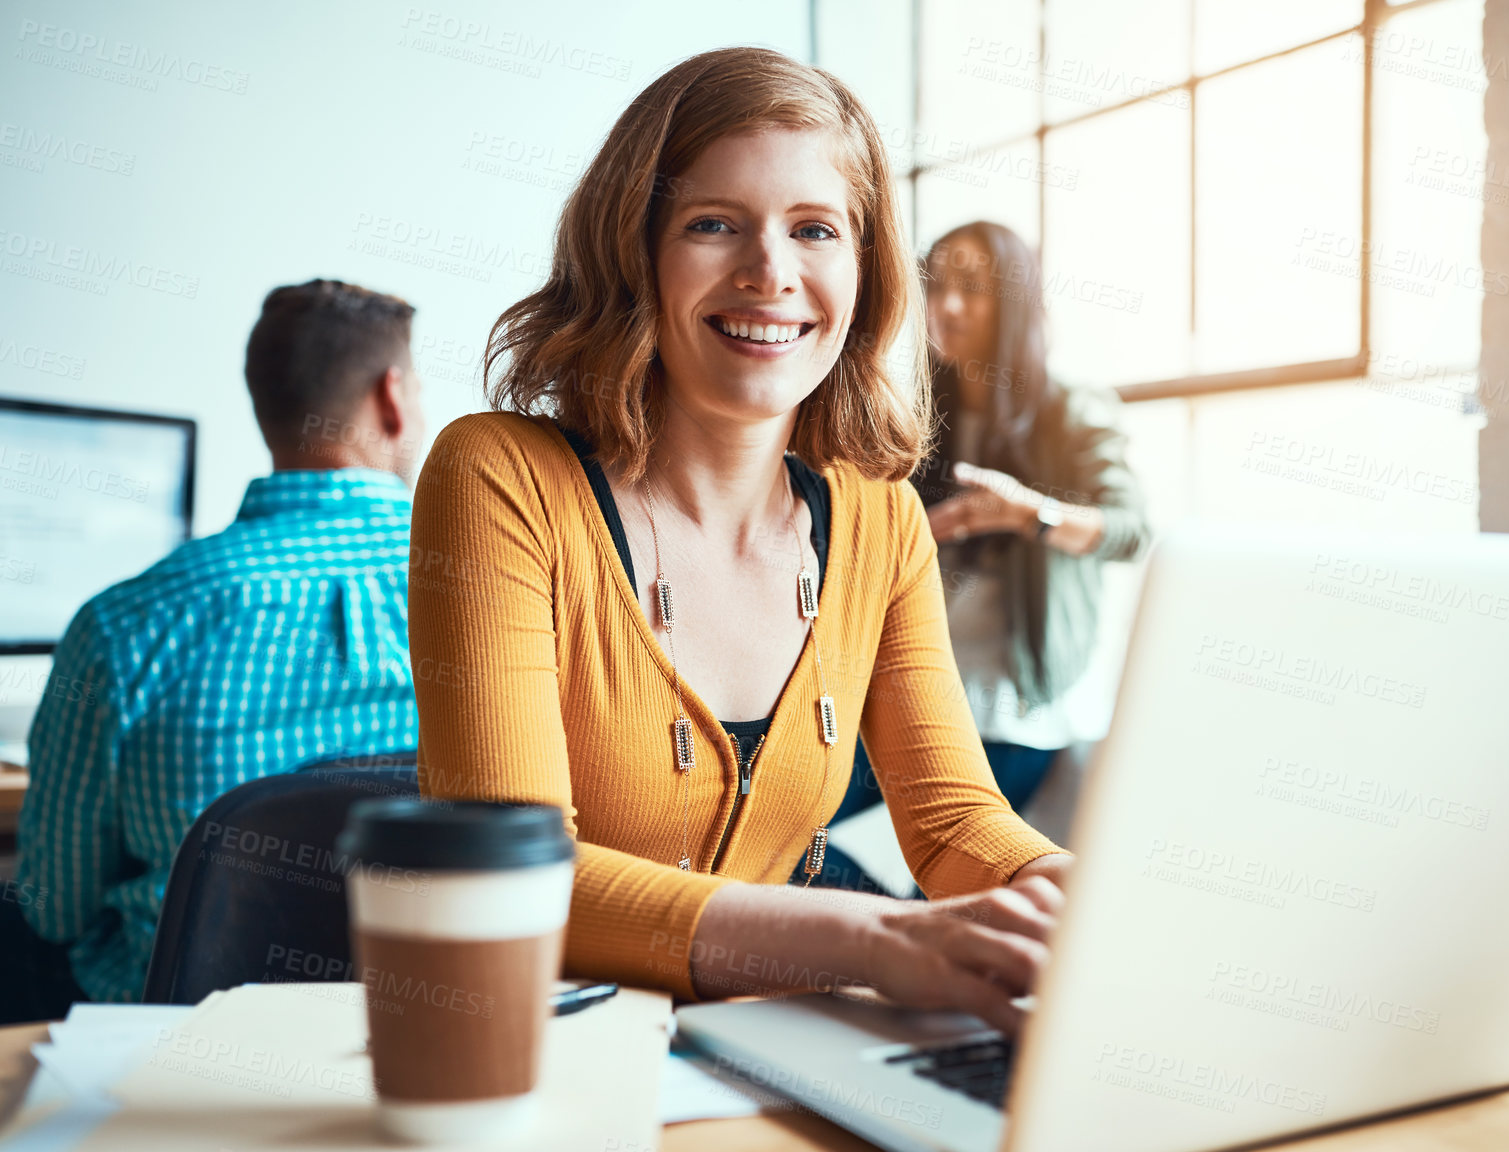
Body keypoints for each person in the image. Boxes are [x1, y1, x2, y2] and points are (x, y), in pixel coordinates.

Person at [409, 47, 1069, 1033]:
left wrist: (1087, 904)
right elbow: (515, 877)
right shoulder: (500, 477)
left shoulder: (878, 514)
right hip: (559, 1062)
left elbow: (952, 821)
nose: (771, 274)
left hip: (776, 1053)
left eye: (815, 229)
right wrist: (876, 940)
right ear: (632, 252)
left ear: (862, 268)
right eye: (712, 225)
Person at [4, 279, 427, 1021]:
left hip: (177, 1034)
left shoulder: (124, 620)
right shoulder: (502, 590)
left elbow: (54, 905)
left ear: (266, 408)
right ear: (393, 397)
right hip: (427, 1015)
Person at [815, 222, 1152, 893]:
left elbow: (1130, 530)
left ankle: (903, 930)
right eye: (937, 285)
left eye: (972, 288)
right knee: (790, 835)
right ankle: (893, 929)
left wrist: (1031, 514)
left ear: (1017, 302)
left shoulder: (1072, 411)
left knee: (944, 892)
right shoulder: (912, 414)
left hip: (1013, 712)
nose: (947, 305)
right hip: (905, 696)